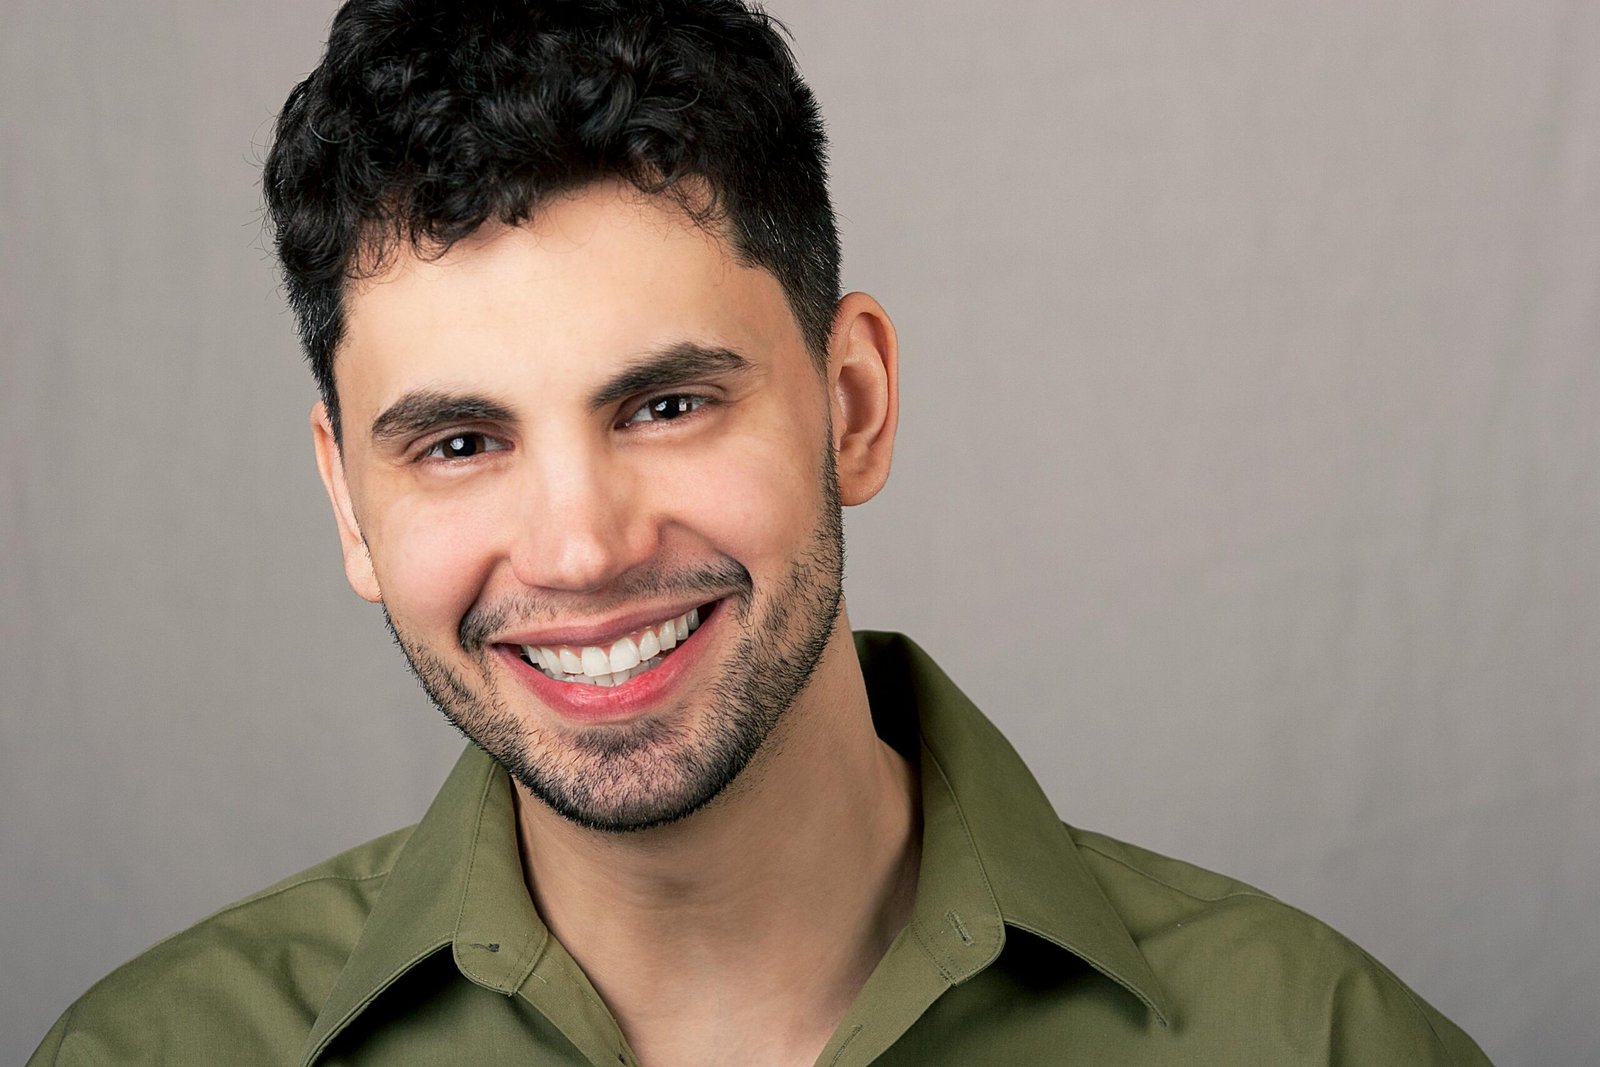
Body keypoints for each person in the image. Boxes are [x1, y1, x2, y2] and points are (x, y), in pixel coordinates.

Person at [30, 1, 1492, 1064]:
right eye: (461, 444)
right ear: (351, 503)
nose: (582, 550)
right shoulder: (152, 1053)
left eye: (666, 406)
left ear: (851, 403)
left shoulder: (1314, 1040)